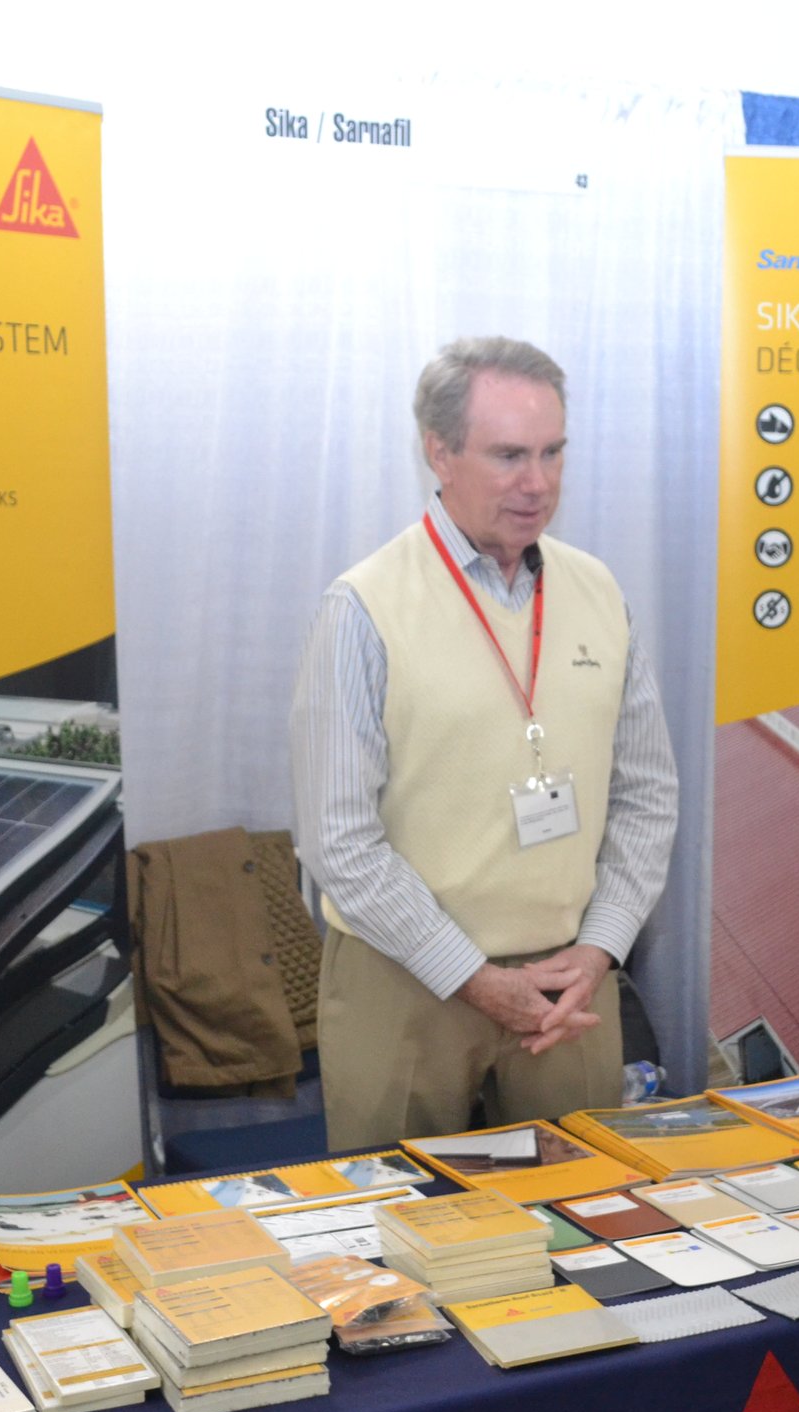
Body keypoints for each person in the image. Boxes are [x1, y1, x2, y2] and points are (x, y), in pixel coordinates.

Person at [291, 337, 679, 1150]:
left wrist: (601, 947)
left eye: (551, 452)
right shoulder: (363, 607)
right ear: (439, 452)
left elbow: (647, 795)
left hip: (570, 989)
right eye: (508, 455)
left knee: (582, 1210)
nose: (537, 482)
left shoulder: (598, 591)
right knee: (406, 1217)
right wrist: (470, 975)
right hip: (405, 983)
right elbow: (338, 838)